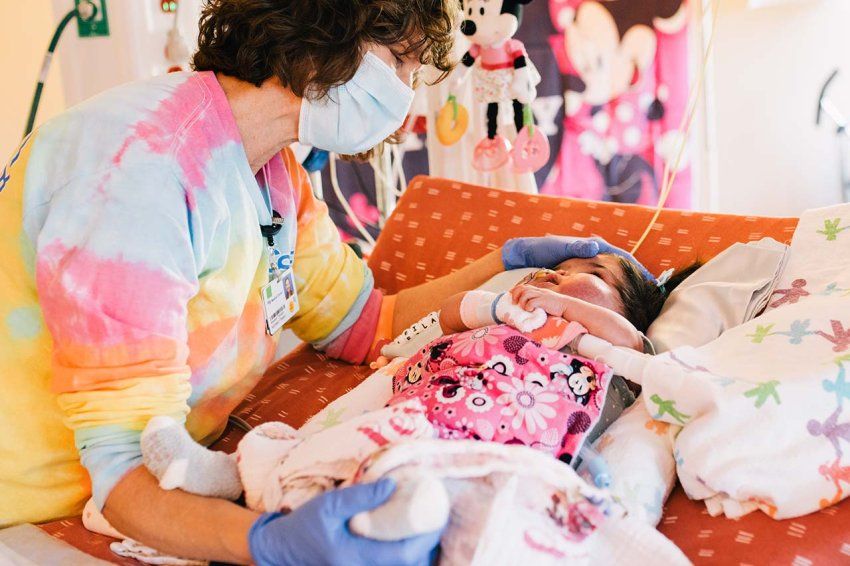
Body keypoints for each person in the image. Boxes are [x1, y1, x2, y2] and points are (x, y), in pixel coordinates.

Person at [0, 1, 658, 563]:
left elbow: (363, 321)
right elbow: (125, 480)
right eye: (399, 65)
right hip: (33, 499)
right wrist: (274, 542)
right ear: (327, 36)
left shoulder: (271, 171)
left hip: (154, 467)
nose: (403, 97)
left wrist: (500, 263)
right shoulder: (139, 180)